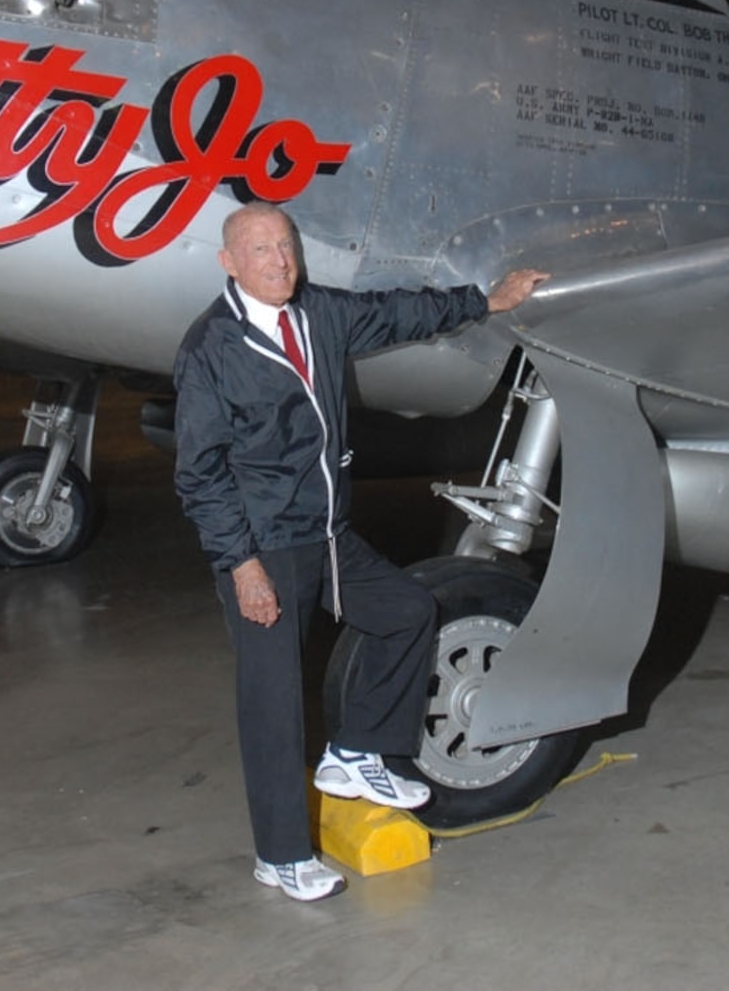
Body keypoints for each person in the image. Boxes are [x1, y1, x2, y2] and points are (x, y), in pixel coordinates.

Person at [172, 202, 548, 902]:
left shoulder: (317, 313)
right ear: (229, 262)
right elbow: (199, 474)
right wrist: (241, 564)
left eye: (285, 246)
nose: (279, 261)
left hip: (326, 531)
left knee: (406, 610)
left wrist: (486, 302)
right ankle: (281, 856)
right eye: (260, 250)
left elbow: (397, 312)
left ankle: (356, 750)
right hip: (264, 547)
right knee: (274, 702)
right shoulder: (210, 349)